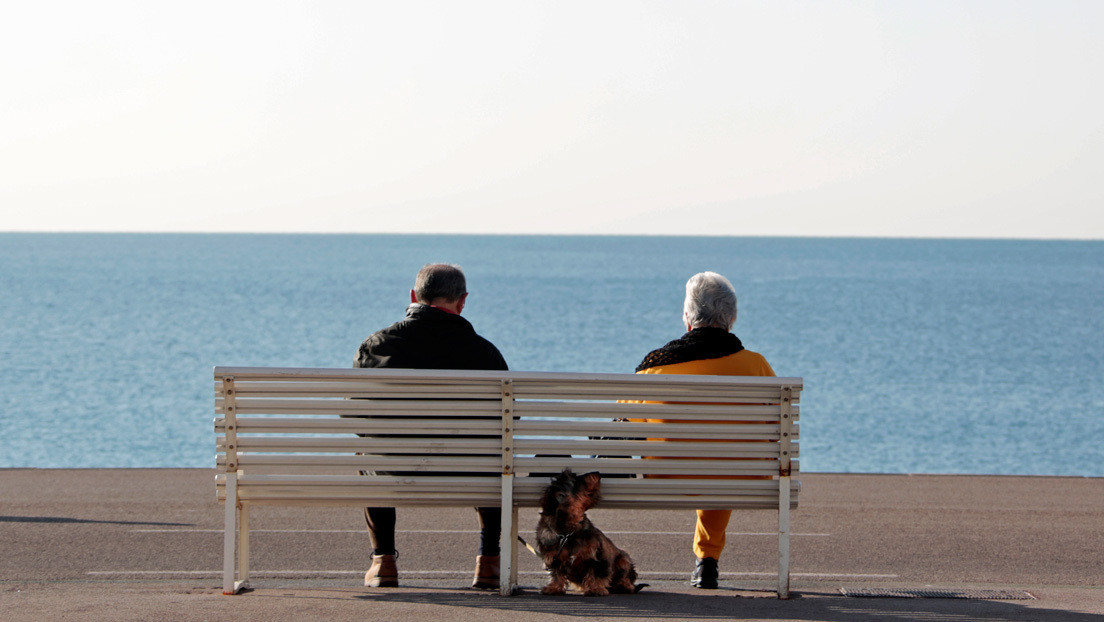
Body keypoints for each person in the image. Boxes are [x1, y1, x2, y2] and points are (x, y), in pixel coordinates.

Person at [354, 263, 508, 590]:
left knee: (368, 454)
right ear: (462, 301)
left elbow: (358, 418)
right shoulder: (485, 354)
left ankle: (383, 562)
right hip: (468, 471)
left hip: (394, 468)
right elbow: (508, 424)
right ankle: (489, 563)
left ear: (414, 296)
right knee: (497, 456)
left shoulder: (376, 346)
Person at [633, 271, 775, 589]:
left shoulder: (655, 366)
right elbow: (773, 430)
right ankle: (707, 560)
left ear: (687, 318)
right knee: (723, 464)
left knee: (708, 461)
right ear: (731, 320)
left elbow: (623, 426)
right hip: (741, 479)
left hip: (664, 479)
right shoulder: (757, 366)